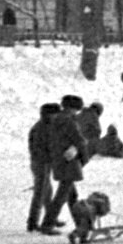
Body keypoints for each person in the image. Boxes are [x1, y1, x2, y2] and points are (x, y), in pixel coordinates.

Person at [40, 95, 88, 230]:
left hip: (59, 160)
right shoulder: (69, 121)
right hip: (69, 162)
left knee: (71, 195)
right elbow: (80, 140)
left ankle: (80, 223)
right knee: (61, 196)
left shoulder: (55, 120)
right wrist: (81, 152)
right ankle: (48, 224)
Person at [25, 102, 58, 232]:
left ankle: (50, 217)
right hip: (42, 163)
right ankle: (33, 222)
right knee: (40, 193)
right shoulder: (43, 128)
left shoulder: (42, 126)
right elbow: (45, 147)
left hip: (40, 162)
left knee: (47, 192)